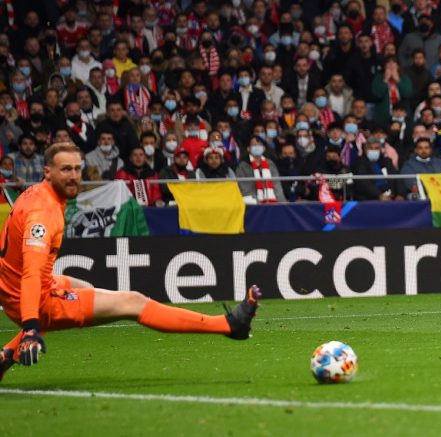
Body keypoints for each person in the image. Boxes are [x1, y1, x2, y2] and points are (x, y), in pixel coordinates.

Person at [0, 143, 260, 379]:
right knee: (133, 302)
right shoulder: (44, 214)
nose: (74, 176)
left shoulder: (38, 193)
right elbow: (32, 273)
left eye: (77, 169)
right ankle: (229, 325)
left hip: (16, 285)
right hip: (29, 296)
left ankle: (6, 356)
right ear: (48, 172)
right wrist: (31, 328)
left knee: (84, 288)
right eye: (66, 169)